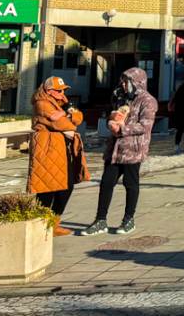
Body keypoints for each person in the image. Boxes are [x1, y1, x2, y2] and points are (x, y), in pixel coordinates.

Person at [80, 67, 157, 236]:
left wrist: (122, 129)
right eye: (122, 81)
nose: (123, 84)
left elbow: (145, 126)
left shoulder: (148, 101)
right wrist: (111, 121)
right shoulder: (121, 98)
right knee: (106, 183)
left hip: (133, 149)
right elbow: (114, 115)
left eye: (126, 81)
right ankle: (100, 220)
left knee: (130, 183)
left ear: (136, 82)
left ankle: (129, 219)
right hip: (115, 148)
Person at [27, 77, 89, 237]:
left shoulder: (59, 104)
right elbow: (63, 124)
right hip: (47, 148)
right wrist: (68, 117)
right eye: (59, 90)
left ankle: (53, 223)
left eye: (64, 90)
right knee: (47, 188)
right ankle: (42, 224)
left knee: (65, 186)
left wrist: (65, 114)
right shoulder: (42, 104)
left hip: (60, 148)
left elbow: (79, 117)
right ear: (49, 91)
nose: (63, 93)